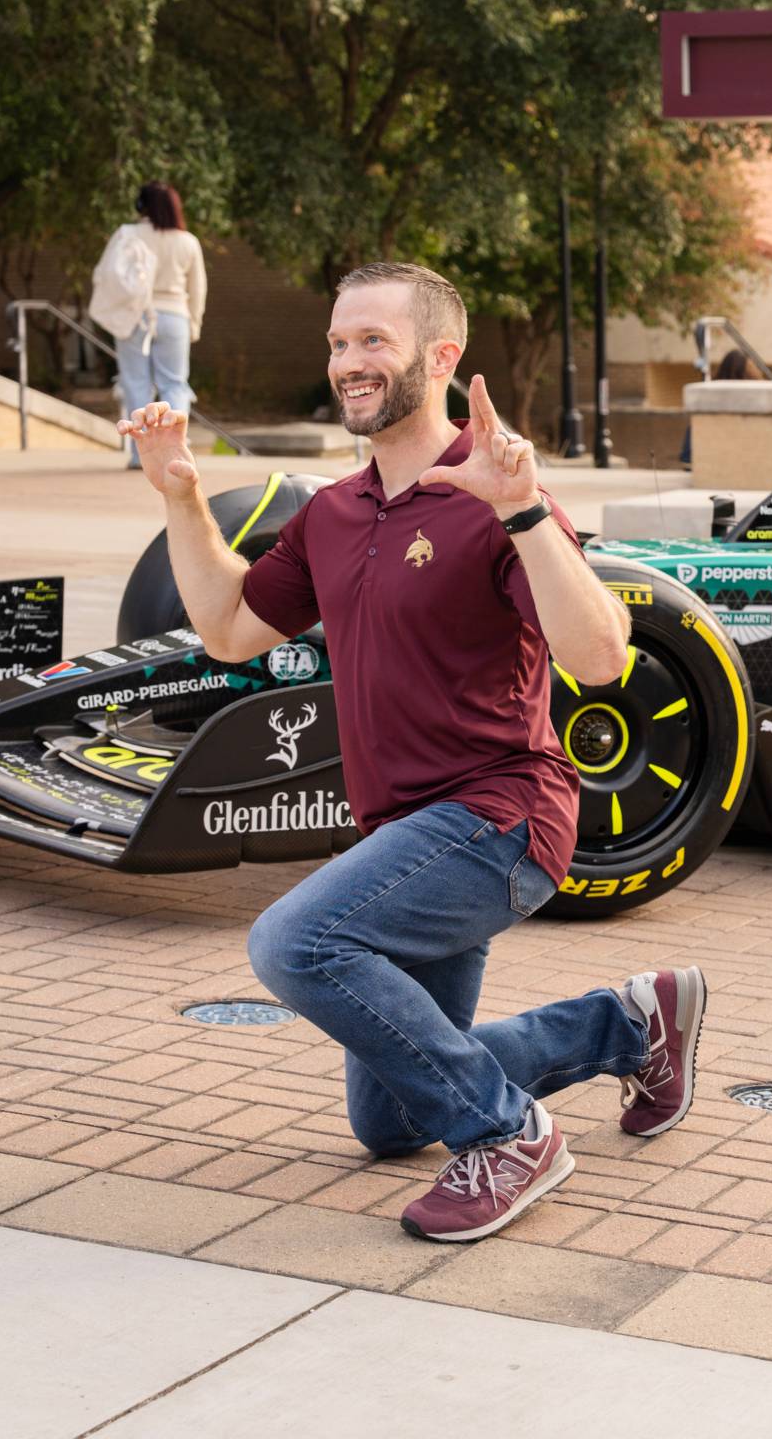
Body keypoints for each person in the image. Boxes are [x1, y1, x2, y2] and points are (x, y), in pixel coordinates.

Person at [120, 261, 707, 1243]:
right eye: (339, 344)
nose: (349, 362)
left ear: (442, 357)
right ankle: (628, 1023)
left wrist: (523, 513)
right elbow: (226, 629)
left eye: (373, 342)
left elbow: (602, 658)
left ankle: (511, 1135)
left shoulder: (497, 493)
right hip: (407, 832)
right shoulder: (336, 513)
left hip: (498, 820)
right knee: (386, 1122)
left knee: (293, 942)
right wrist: (181, 495)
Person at [99, 181, 206, 469]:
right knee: (175, 385)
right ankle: (175, 454)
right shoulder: (188, 241)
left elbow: (107, 276)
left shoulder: (128, 234)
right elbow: (198, 289)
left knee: (136, 385)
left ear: (140, 206)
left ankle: (140, 456)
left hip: (136, 316)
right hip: (175, 317)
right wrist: (193, 324)